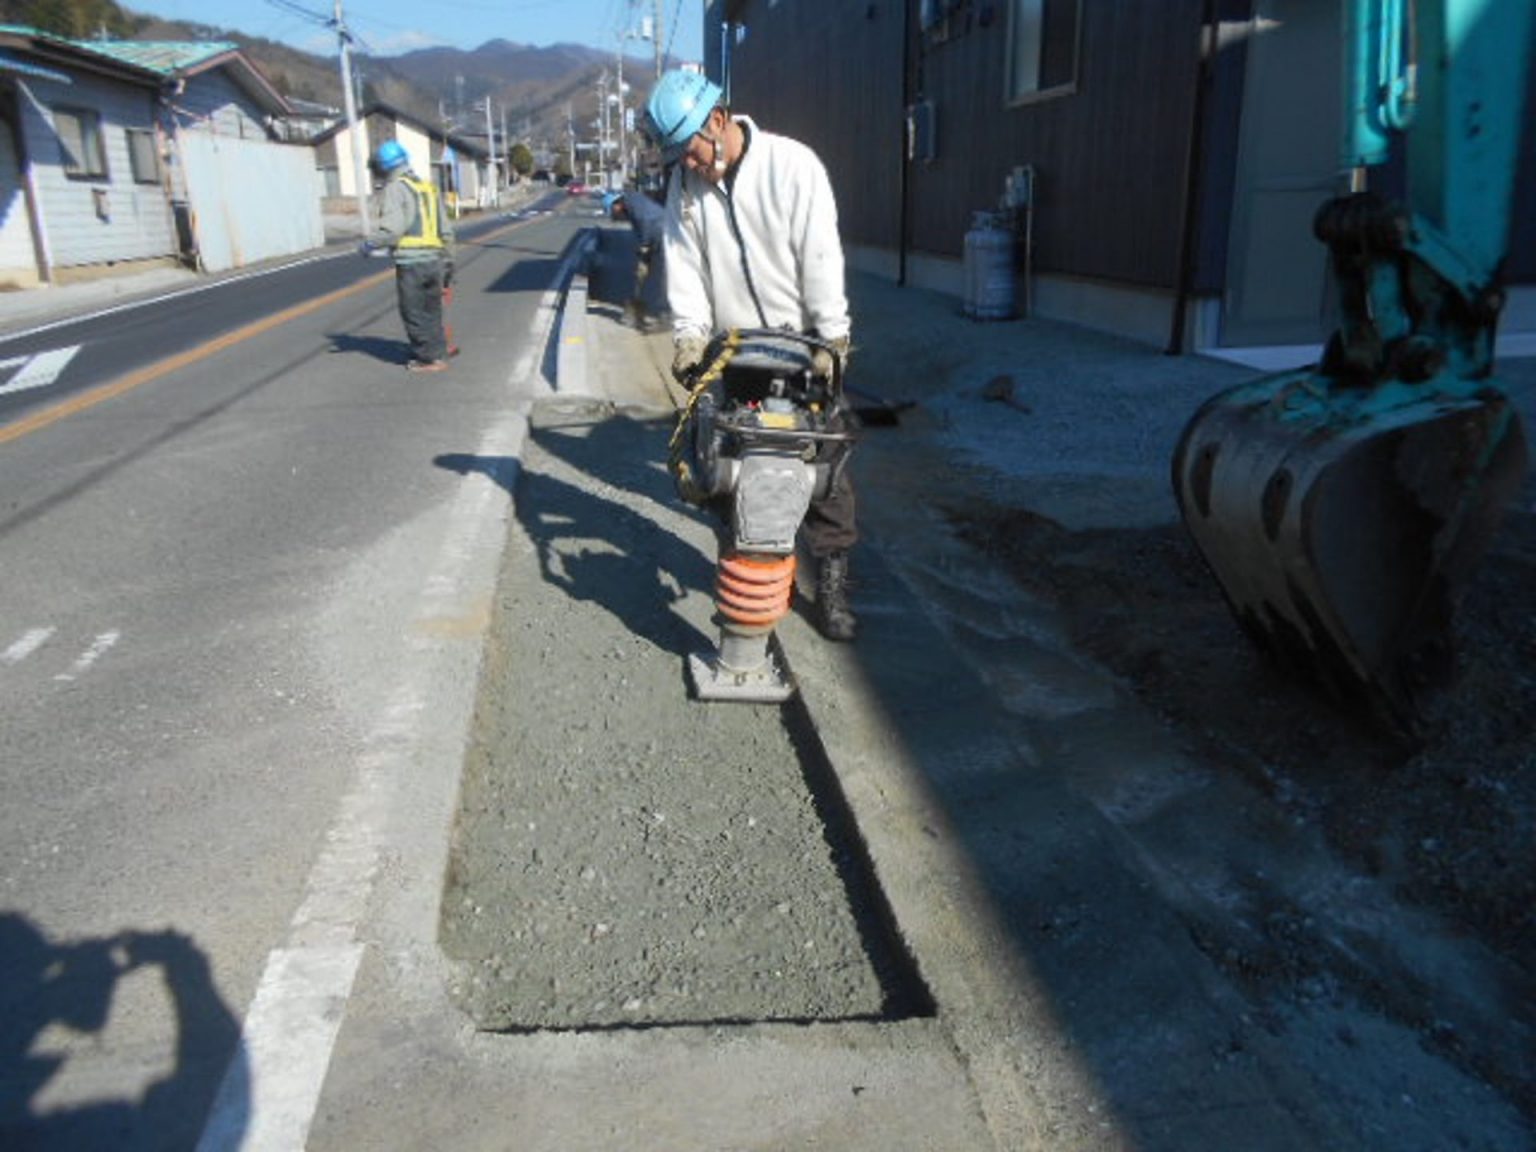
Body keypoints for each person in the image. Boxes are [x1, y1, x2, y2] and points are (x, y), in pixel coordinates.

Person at [642, 70, 859, 642]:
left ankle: (832, 577)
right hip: (734, 348)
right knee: (725, 466)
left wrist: (833, 338)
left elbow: (820, 254)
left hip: (803, 344)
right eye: (677, 158)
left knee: (826, 468)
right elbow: (684, 265)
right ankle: (754, 573)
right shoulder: (686, 191)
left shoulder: (792, 166)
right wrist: (689, 336)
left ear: (718, 121)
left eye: (689, 151)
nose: (687, 165)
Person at [363, 140, 456, 373]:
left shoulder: (395, 189)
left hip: (411, 262)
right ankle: (436, 351)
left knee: (413, 311)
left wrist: (368, 244)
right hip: (435, 260)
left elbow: (393, 229)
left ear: (384, 167)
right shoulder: (426, 187)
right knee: (431, 309)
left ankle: (428, 359)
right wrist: (449, 264)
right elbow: (446, 230)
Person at [610, 187, 670, 332]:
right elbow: (641, 228)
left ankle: (666, 317)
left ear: (617, 204)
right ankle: (645, 310)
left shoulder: (634, 205)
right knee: (652, 276)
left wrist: (644, 246)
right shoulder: (631, 205)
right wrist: (643, 254)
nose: (614, 215)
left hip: (664, 236)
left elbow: (647, 220)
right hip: (658, 236)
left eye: (613, 210)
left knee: (663, 278)